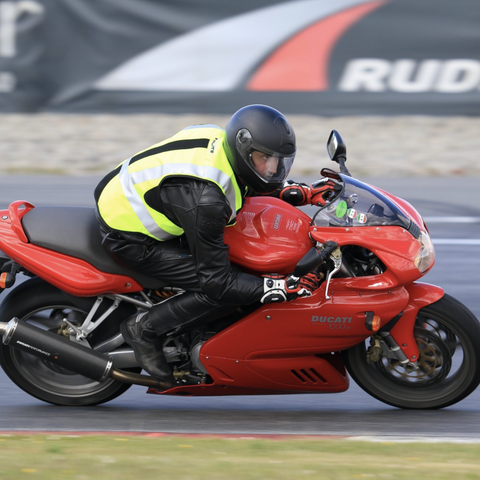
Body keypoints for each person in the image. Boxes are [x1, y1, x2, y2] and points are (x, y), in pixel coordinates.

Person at [94, 104, 338, 387]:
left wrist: (294, 191)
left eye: (278, 161)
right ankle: (144, 329)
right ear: (243, 150)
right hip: (131, 236)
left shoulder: (220, 140)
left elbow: (241, 179)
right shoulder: (206, 202)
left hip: (142, 195)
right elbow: (217, 283)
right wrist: (283, 287)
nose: (273, 169)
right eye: (265, 159)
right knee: (230, 289)